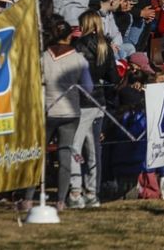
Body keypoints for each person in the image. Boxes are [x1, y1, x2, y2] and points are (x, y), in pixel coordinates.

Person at [39, 18, 93, 210]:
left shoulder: (44, 57)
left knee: (38, 155)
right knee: (64, 155)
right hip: (70, 112)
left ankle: (30, 197)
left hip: (47, 110)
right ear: (70, 36)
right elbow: (89, 87)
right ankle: (61, 201)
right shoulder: (78, 58)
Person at [69, 11, 118, 208]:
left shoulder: (77, 46)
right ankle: (92, 192)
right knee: (93, 149)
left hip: (80, 102)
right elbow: (113, 78)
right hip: (99, 101)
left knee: (75, 147)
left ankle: (75, 191)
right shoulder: (105, 46)